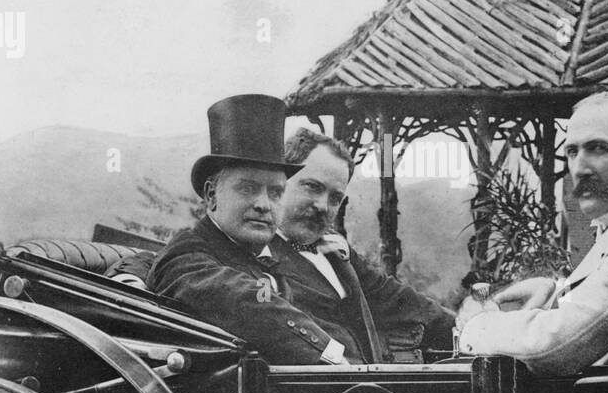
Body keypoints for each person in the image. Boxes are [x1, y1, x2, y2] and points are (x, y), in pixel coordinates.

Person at [456, 91, 608, 375]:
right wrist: (551, 292)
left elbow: (551, 348)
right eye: (572, 152)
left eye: (599, 149)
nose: (579, 168)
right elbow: (602, 306)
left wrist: (477, 325)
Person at [146, 95, 350, 364]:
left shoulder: (264, 258)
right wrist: (332, 356)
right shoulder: (187, 255)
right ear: (211, 195)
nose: (264, 205)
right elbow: (241, 297)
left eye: (275, 192)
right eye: (247, 188)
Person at [271, 128, 455, 362]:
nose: (322, 206)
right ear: (280, 182)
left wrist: (469, 329)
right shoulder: (257, 256)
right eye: (312, 187)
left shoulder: (335, 252)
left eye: (335, 198)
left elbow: (397, 299)